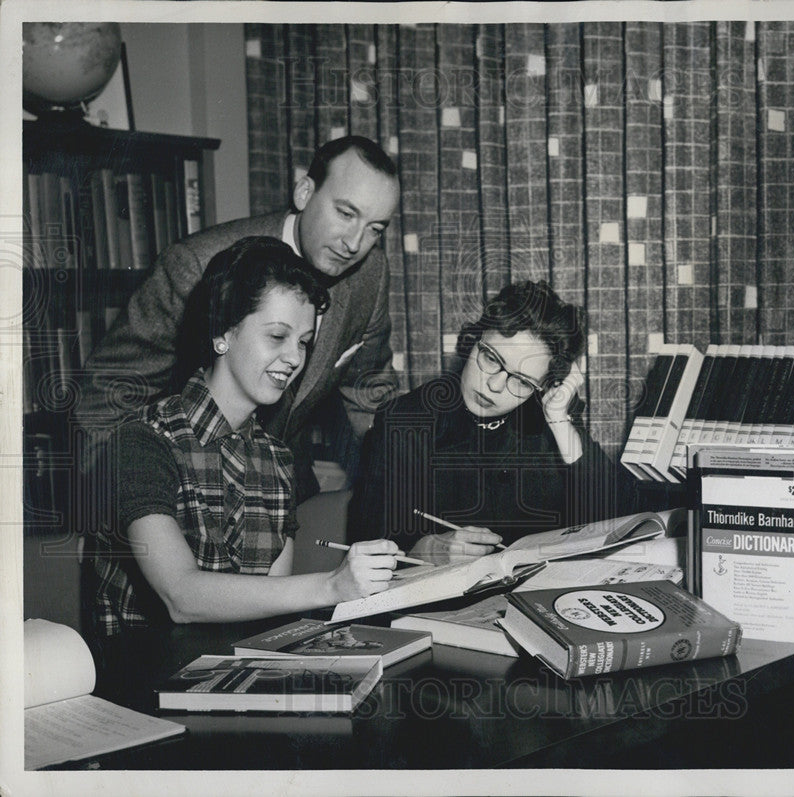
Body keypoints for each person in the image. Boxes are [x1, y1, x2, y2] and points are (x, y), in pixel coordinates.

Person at [90, 237, 401, 635]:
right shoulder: (142, 441)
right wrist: (331, 586)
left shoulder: (277, 459)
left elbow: (268, 608)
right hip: (143, 683)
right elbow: (180, 596)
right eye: (277, 336)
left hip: (234, 678)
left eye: (304, 342)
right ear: (223, 332)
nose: (294, 358)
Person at [76, 136, 401, 499]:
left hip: (284, 487)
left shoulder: (369, 274)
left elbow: (371, 395)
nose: (355, 243)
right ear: (305, 193)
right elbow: (106, 399)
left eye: (375, 229)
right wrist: (128, 505)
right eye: (346, 213)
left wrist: (409, 476)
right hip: (180, 487)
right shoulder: (196, 265)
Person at [347, 280, 627, 564]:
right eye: (491, 358)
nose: (494, 385)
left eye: (521, 380)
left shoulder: (551, 419)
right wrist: (427, 549)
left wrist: (560, 423)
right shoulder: (404, 422)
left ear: (544, 387)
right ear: (473, 341)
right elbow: (367, 542)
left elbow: (614, 525)